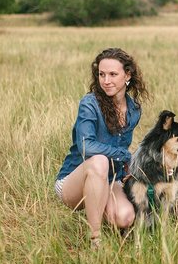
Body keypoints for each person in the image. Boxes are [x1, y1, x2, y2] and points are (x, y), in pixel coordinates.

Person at [54, 47, 148, 247]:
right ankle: (95, 238)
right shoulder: (89, 103)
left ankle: (104, 212)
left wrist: (128, 168)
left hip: (109, 178)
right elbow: (86, 147)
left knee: (124, 218)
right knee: (98, 160)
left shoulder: (134, 110)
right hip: (74, 181)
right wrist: (123, 155)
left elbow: (121, 145)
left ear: (127, 75)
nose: (106, 81)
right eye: (101, 74)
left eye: (113, 74)